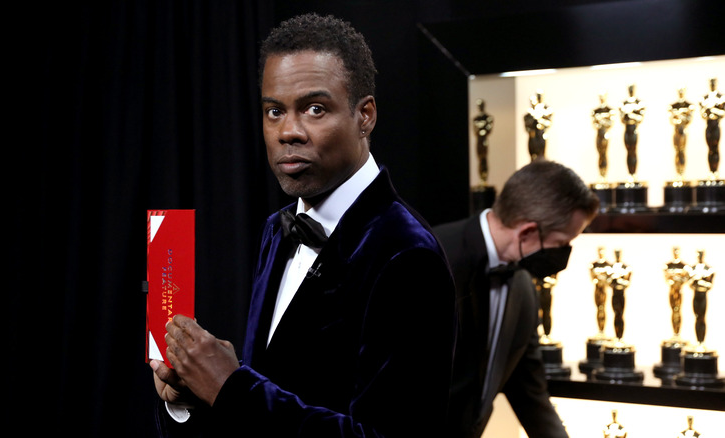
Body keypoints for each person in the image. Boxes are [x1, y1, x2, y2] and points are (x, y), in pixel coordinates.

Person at [149, 13, 456, 437]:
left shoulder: (406, 253)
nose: (287, 132)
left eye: (314, 109)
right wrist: (192, 398)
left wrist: (232, 386)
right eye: (274, 111)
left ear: (365, 116)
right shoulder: (277, 230)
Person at [433, 159, 600, 438]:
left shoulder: (523, 287)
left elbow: (529, 389)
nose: (564, 254)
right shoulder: (430, 257)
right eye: (561, 244)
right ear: (527, 232)